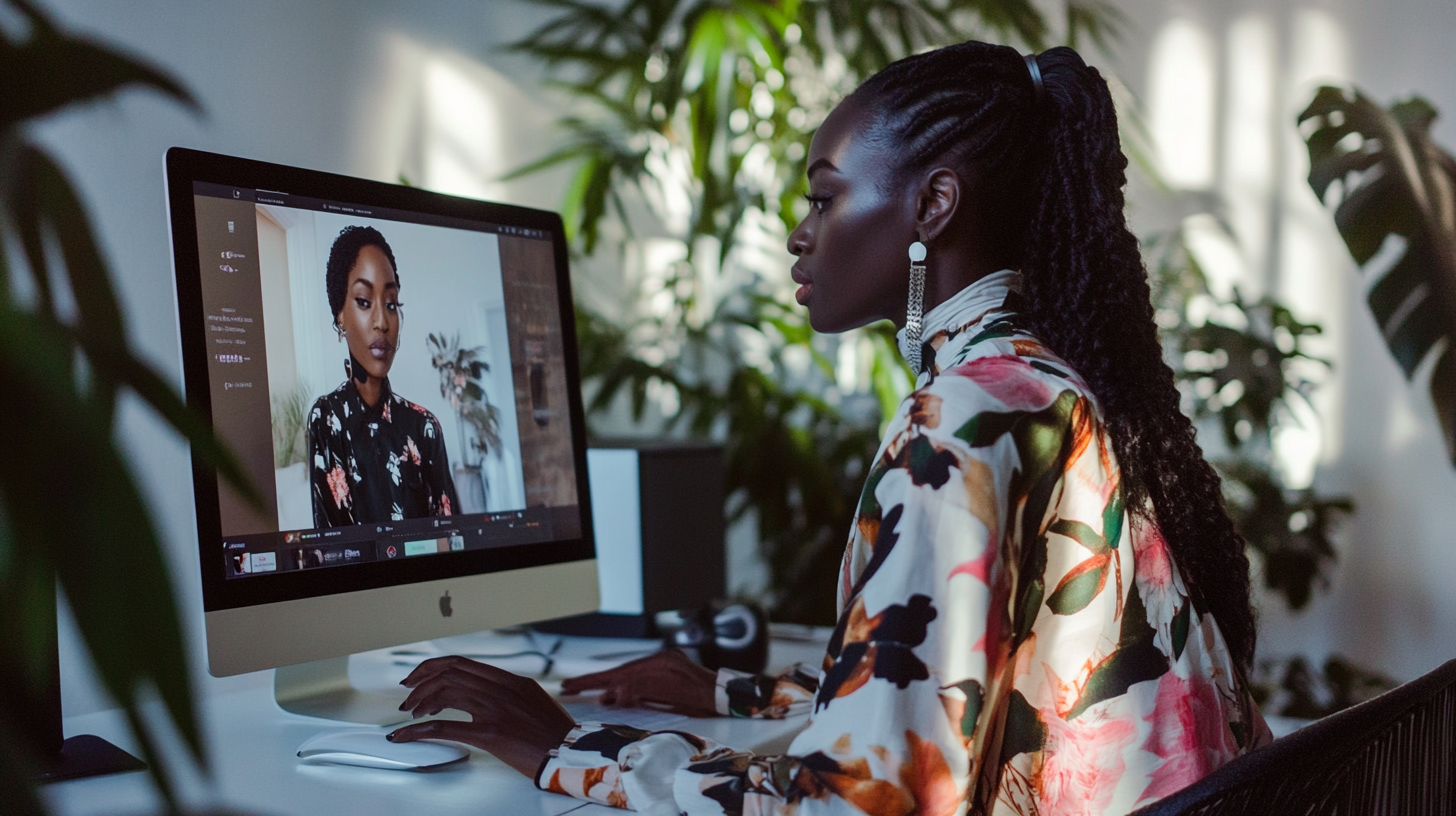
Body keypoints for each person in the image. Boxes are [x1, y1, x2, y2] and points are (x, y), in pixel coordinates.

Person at [386, 41, 1272, 815]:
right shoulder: (1037, 382)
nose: (799, 236)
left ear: (933, 207)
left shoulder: (962, 420)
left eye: (825, 198)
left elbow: (861, 804)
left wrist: (569, 749)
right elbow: (961, 696)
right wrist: (739, 692)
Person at [307, 225, 460, 528]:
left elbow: (452, 537)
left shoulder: (424, 427)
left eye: (391, 304)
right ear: (340, 314)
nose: (382, 322)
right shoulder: (325, 419)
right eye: (364, 301)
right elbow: (331, 546)